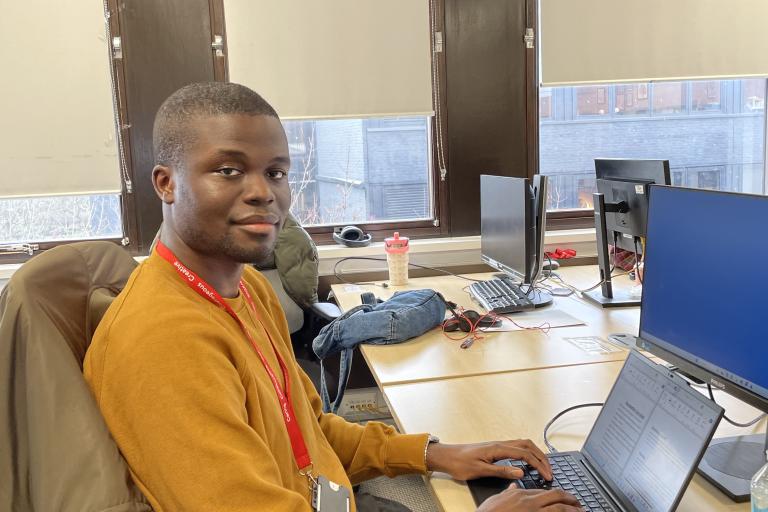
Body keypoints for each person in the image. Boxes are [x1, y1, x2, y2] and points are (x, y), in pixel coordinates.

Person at [84, 82, 582, 512]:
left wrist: (434, 453)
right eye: (229, 170)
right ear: (166, 183)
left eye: (276, 172)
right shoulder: (163, 341)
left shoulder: (246, 288)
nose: (264, 192)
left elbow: (310, 428)